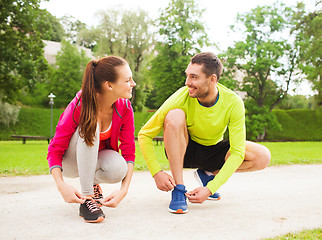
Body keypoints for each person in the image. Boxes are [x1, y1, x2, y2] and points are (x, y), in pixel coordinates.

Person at [138, 52, 271, 214]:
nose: (188, 82)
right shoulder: (181, 96)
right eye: (187, 76)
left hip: (213, 152)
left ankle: (208, 175)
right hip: (185, 150)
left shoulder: (233, 102)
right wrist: (156, 172)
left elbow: (237, 152)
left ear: (212, 79)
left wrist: (210, 188)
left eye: (194, 77)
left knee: (263, 156)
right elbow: (144, 134)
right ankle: (179, 190)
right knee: (175, 115)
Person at [47, 56, 136, 223]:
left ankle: (92, 184)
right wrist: (61, 186)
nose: (133, 84)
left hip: (94, 161)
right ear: (109, 85)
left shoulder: (124, 108)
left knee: (118, 168)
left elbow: (129, 150)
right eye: (127, 80)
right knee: (91, 125)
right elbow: (54, 149)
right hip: (71, 163)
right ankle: (87, 199)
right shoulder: (81, 103)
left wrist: (124, 190)